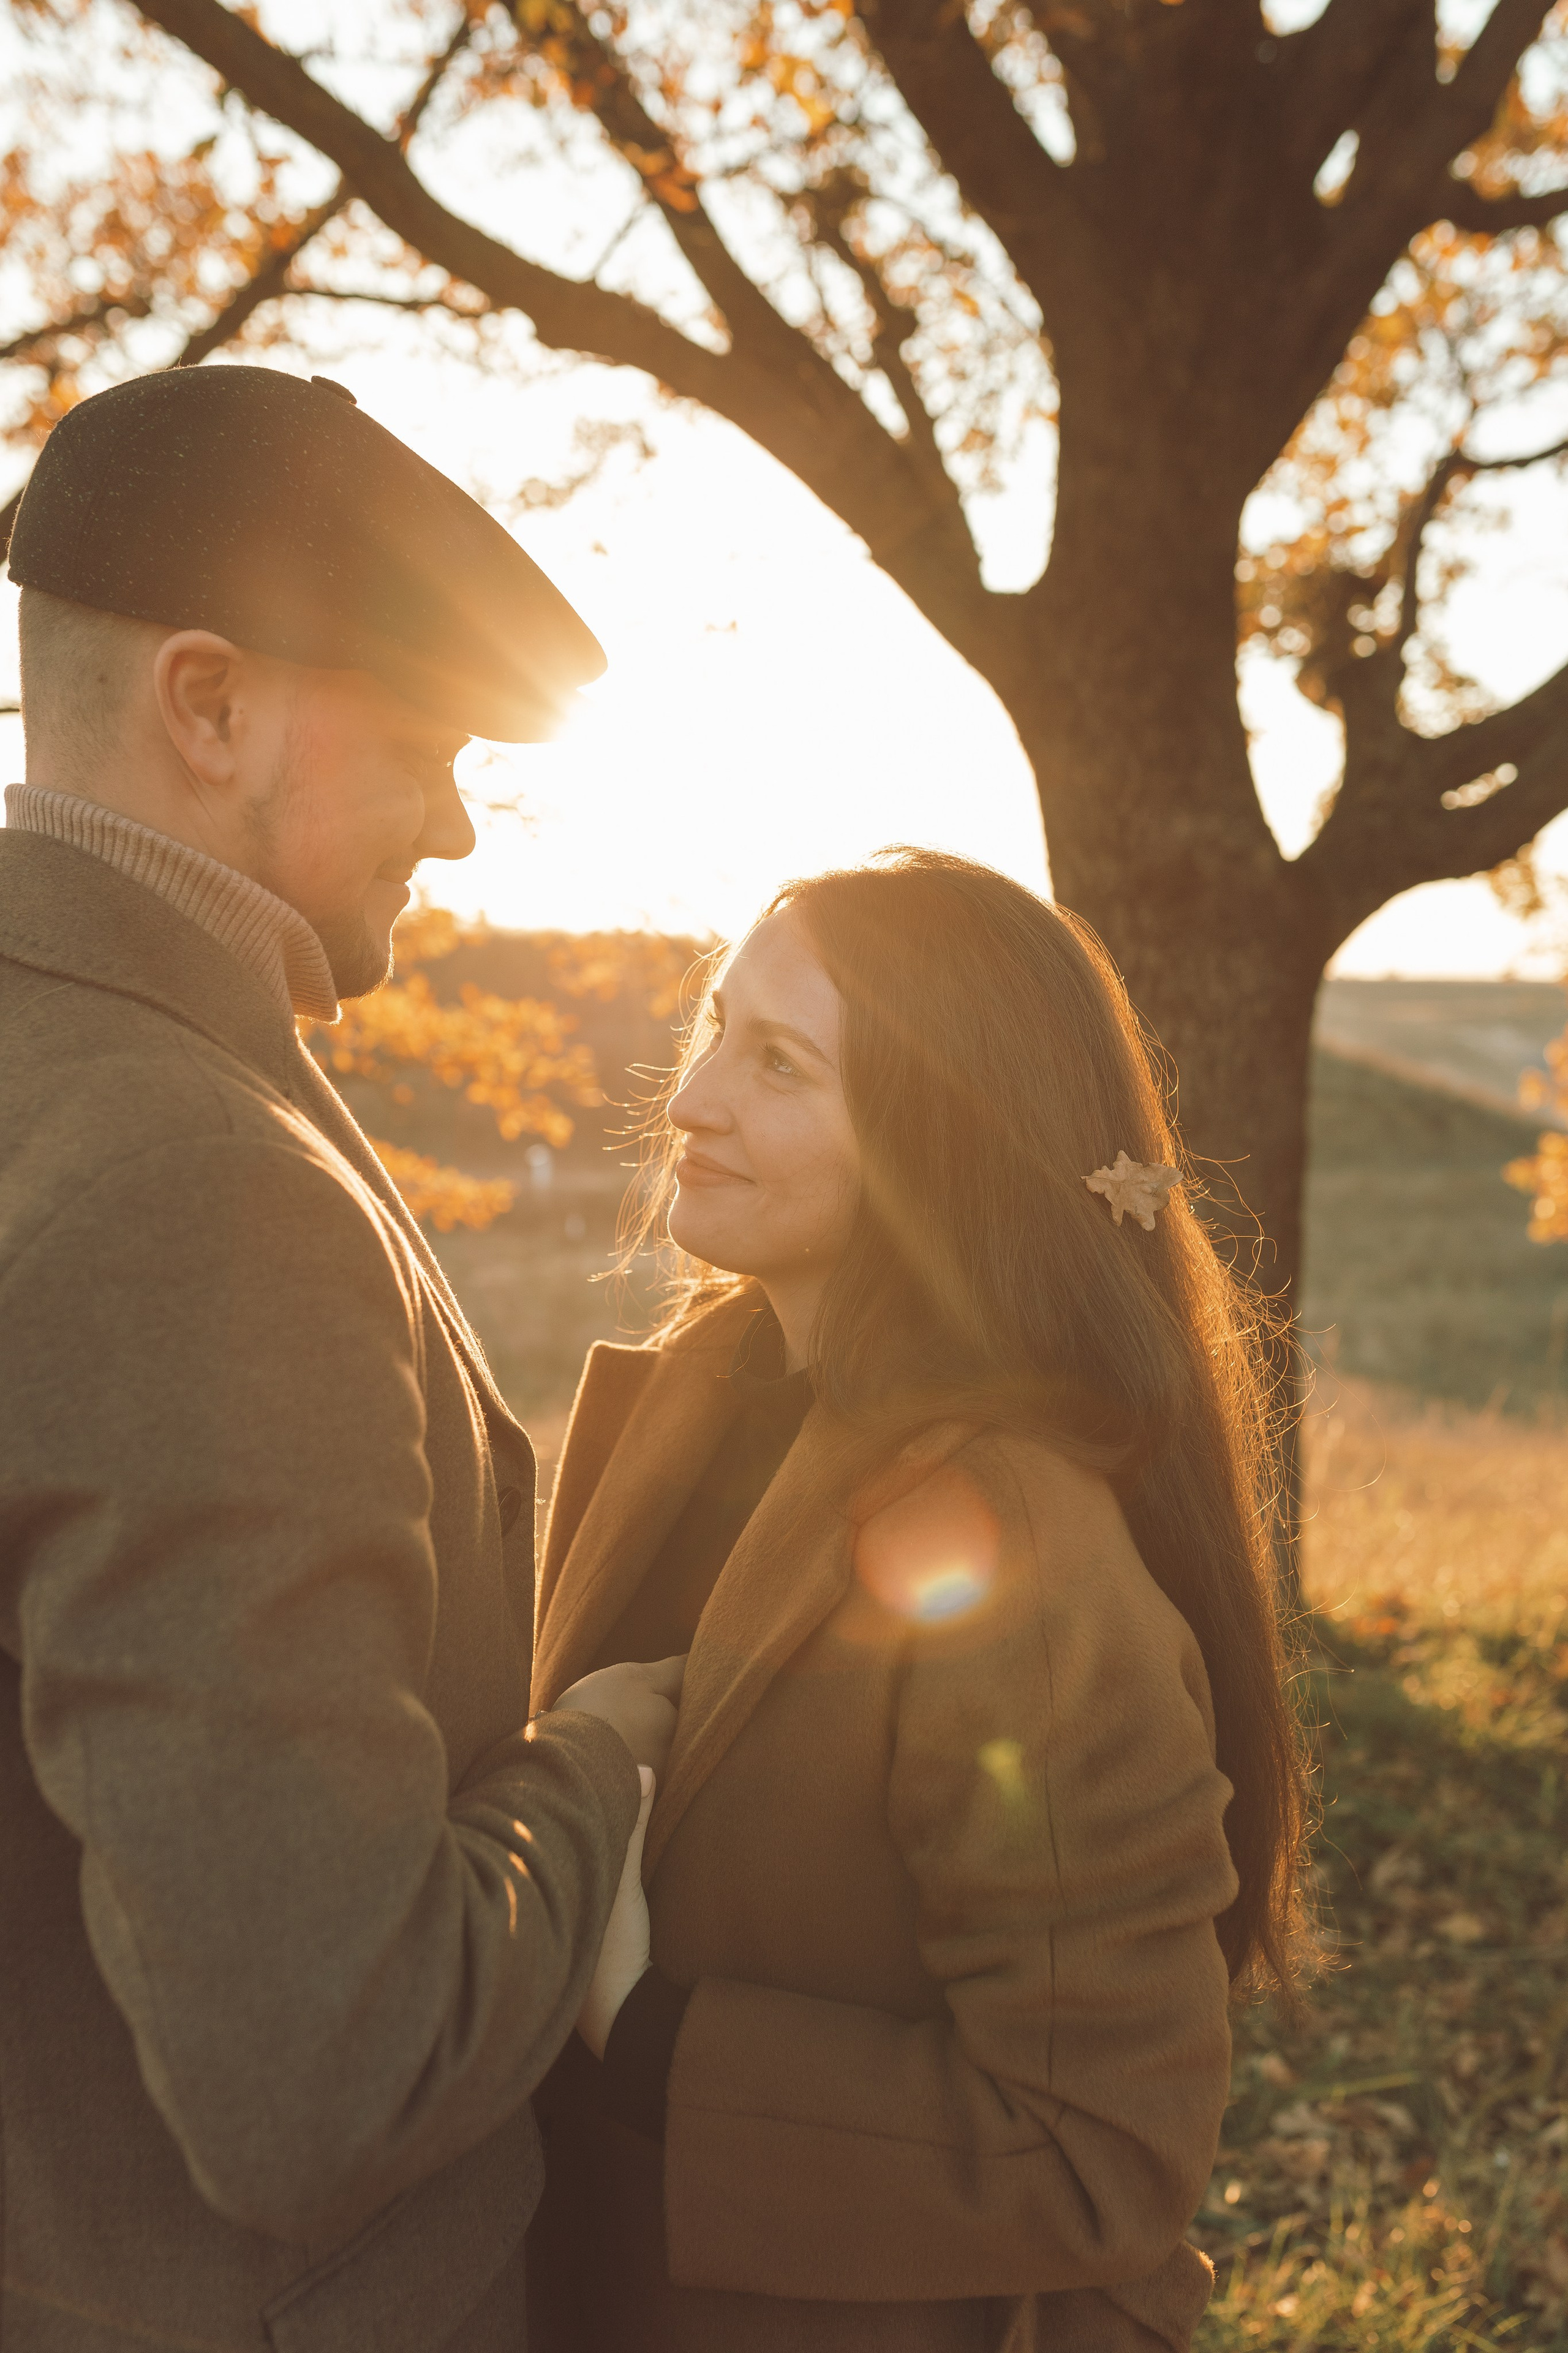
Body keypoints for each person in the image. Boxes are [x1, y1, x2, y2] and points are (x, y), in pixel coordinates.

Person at [0, 364, 680, 2352]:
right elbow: (326, 2073)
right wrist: (605, 1757)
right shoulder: (198, 1186)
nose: (460, 825)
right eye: (424, 741)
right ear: (208, 706)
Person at [529, 850, 1308, 2352]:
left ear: (931, 1140)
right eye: (712, 1025)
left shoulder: (1010, 1536)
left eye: (777, 1064)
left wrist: (640, 2026)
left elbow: (1100, 2150)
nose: (689, 1098)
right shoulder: (698, 1401)